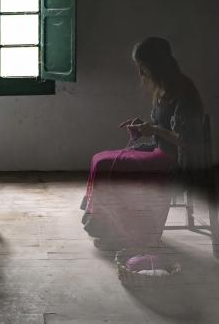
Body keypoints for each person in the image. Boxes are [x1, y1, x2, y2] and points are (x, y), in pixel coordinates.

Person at [81, 37, 205, 248]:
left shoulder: (184, 91)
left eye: (143, 67)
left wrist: (153, 129)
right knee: (99, 159)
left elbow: (185, 139)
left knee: (108, 165)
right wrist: (144, 126)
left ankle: (124, 235)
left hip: (177, 161)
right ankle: (110, 229)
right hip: (161, 151)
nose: (140, 73)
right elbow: (162, 127)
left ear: (156, 65)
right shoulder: (164, 89)